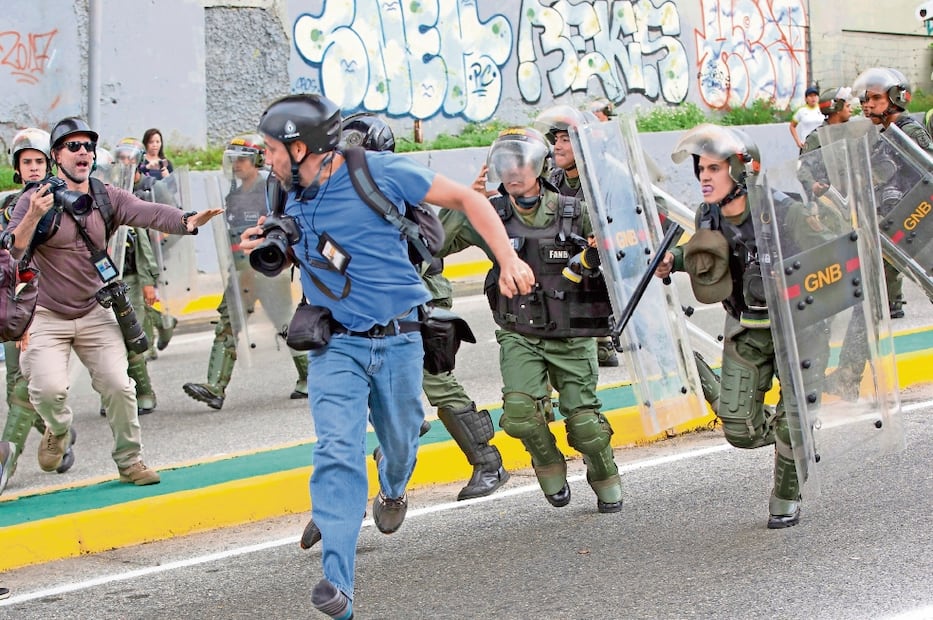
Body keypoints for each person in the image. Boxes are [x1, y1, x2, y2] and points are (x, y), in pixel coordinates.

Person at [242, 94, 532, 620]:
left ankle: (393, 487)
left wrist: (508, 257)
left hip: (399, 338)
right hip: (336, 345)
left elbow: (470, 200)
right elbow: (290, 245)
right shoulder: (282, 190)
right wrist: (267, 241)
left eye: (270, 148)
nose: (266, 158)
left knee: (399, 444)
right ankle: (339, 586)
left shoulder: (378, 172)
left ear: (300, 146)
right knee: (336, 451)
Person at [7, 117, 221, 486]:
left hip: (94, 309)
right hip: (47, 313)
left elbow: (148, 212)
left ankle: (130, 460)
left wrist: (187, 220)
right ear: (56, 155)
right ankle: (58, 428)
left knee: (120, 387)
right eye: (73, 146)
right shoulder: (33, 197)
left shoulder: (106, 196)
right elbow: (11, 250)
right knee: (47, 389)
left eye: (88, 146)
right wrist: (34, 216)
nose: (83, 153)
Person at [654, 123, 836, 529]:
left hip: (798, 330)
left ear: (741, 169)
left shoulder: (784, 211)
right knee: (740, 431)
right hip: (747, 327)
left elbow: (834, 260)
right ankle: (796, 435)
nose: (703, 175)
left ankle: (787, 491)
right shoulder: (708, 215)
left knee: (794, 423)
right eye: (701, 168)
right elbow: (709, 255)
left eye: (714, 168)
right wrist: (674, 261)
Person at [442, 127, 624, 516]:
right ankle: (547, 461)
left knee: (586, 427)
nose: (513, 171)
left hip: (572, 335)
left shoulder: (574, 212)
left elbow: (620, 252)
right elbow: (435, 244)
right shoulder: (489, 213)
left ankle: (603, 470)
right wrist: (463, 203)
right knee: (521, 415)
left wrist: (599, 253)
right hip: (519, 332)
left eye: (521, 163)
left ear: (540, 166)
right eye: (505, 163)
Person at [182, 133, 309, 410]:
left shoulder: (270, 189)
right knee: (228, 323)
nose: (237, 165)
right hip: (241, 272)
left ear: (257, 161)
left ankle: (310, 378)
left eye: (243, 159)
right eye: (234, 160)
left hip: (268, 269)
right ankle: (215, 387)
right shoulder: (234, 194)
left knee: (286, 326)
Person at [0, 128, 76, 494]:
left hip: (47, 306)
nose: (32, 168)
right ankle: (58, 434)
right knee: (17, 387)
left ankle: (5, 463)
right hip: (14, 304)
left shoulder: (64, 200)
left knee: (20, 390)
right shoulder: (9, 205)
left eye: (38, 161)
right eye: (26, 162)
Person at [533, 105, 620, 368]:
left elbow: (637, 221)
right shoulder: (553, 180)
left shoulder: (605, 179)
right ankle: (594, 338)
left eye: (565, 139)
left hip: (599, 264)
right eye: (555, 140)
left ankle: (602, 334)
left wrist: (604, 238)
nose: (557, 147)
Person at [851, 67, 933, 319]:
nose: (867, 105)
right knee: (869, 295)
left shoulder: (909, 132)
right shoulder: (884, 134)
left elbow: (928, 172)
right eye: (865, 99)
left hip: (917, 222)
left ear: (896, 98)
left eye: (876, 98)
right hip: (894, 224)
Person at [114, 137, 178, 359]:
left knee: (146, 295)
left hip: (154, 250)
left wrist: (161, 239)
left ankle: (147, 343)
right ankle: (164, 322)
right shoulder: (116, 189)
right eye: (121, 159)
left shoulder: (153, 188)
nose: (125, 163)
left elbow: (176, 219)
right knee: (139, 299)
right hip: (130, 253)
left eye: (129, 159)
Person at [789, 86, 823, 152]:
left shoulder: (822, 109)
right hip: (807, 145)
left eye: (815, 95)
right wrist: (798, 141)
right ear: (806, 98)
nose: (813, 98)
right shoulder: (801, 111)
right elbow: (792, 126)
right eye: (810, 96)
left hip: (820, 144)